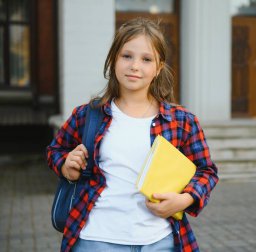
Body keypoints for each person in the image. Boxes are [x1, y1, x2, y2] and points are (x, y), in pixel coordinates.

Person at [46, 17, 218, 252]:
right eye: (127, 56)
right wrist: (66, 165)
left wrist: (184, 200)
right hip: (96, 239)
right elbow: (55, 150)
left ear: (158, 68)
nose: (135, 65)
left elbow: (206, 172)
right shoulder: (88, 115)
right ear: (114, 59)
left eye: (146, 59)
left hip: (161, 241)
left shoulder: (182, 121)